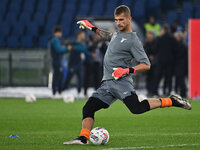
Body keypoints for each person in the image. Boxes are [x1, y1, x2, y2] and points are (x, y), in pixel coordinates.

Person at [63, 5, 191, 145]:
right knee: (88, 108)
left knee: (136, 109)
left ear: (129, 19)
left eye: (121, 20)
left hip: (121, 82)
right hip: (107, 84)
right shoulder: (117, 34)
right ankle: (83, 138)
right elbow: (107, 35)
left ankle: (171, 100)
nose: (118, 23)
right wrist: (91, 27)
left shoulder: (133, 40)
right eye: (116, 20)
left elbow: (146, 64)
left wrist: (126, 71)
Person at [62, 31, 89, 98]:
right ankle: (62, 90)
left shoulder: (82, 43)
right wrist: (88, 46)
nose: (84, 36)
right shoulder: (74, 42)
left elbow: (84, 51)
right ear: (79, 35)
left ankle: (79, 92)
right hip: (72, 64)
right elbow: (81, 49)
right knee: (68, 78)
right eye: (83, 35)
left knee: (80, 78)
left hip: (79, 63)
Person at [152, 24, 177, 96]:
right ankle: (168, 91)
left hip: (160, 61)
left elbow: (155, 49)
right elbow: (175, 49)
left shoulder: (159, 38)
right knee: (169, 77)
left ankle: (155, 91)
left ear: (164, 30)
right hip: (170, 61)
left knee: (158, 77)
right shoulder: (172, 38)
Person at [49, 26, 71, 96]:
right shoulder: (55, 40)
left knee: (59, 75)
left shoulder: (55, 39)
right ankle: (55, 92)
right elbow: (58, 50)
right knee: (57, 76)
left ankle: (57, 91)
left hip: (57, 60)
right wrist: (67, 49)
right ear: (58, 32)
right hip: (56, 61)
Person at [174, 31, 187, 97]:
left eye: (176, 37)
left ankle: (183, 93)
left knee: (181, 80)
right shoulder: (182, 44)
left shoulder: (181, 45)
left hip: (181, 65)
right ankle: (181, 93)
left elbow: (179, 55)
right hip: (180, 65)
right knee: (179, 79)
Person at [144, 31, 157, 96]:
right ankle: (149, 91)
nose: (149, 37)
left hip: (155, 63)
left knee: (154, 77)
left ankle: (154, 91)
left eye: (150, 36)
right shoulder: (146, 43)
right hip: (147, 63)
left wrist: (154, 57)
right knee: (148, 78)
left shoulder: (156, 43)